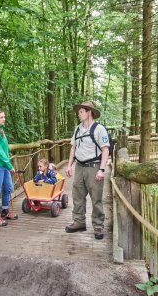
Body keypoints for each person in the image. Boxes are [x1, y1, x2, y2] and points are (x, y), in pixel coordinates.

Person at [65, 101, 110, 240]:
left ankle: (98, 226)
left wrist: (102, 169)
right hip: (79, 167)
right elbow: (73, 147)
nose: (79, 114)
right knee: (77, 195)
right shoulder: (78, 129)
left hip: (94, 167)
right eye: (78, 112)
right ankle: (79, 222)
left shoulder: (99, 129)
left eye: (81, 112)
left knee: (96, 198)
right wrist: (69, 165)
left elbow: (105, 149)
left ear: (89, 112)